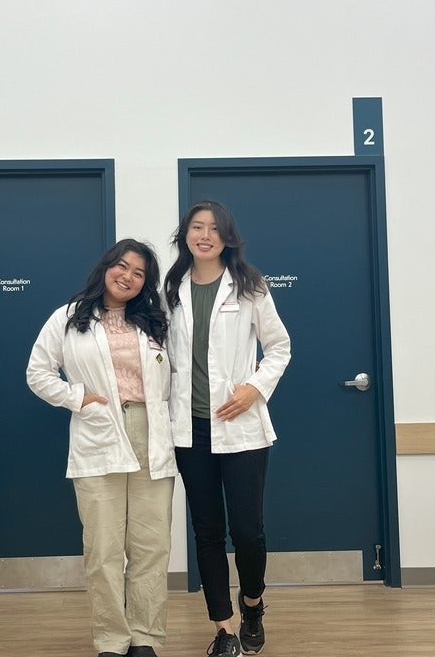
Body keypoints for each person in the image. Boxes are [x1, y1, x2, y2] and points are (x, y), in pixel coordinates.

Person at [26, 239, 176, 657]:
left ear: (145, 283)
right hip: (99, 430)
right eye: (121, 266)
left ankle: (146, 636)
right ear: (105, 267)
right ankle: (112, 638)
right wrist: (78, 399)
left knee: (151, 544)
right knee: (103, 546)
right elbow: (37, 373)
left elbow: (182, 374)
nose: (126, 276)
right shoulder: (68, 318)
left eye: (139, 273)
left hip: (151, 432)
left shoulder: (157, 322)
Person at [164, 200, 291, 657]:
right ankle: (224, 628)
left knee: (248, 530)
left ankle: (252, 603)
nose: (204, 235)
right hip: (191, 430)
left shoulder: (248, 286)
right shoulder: (171, 288)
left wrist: (254, 389)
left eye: (213, 228)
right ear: (186, 235)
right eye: (196, 227)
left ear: (227, 236)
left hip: (240, 426)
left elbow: (279, 347)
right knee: (207, 530)